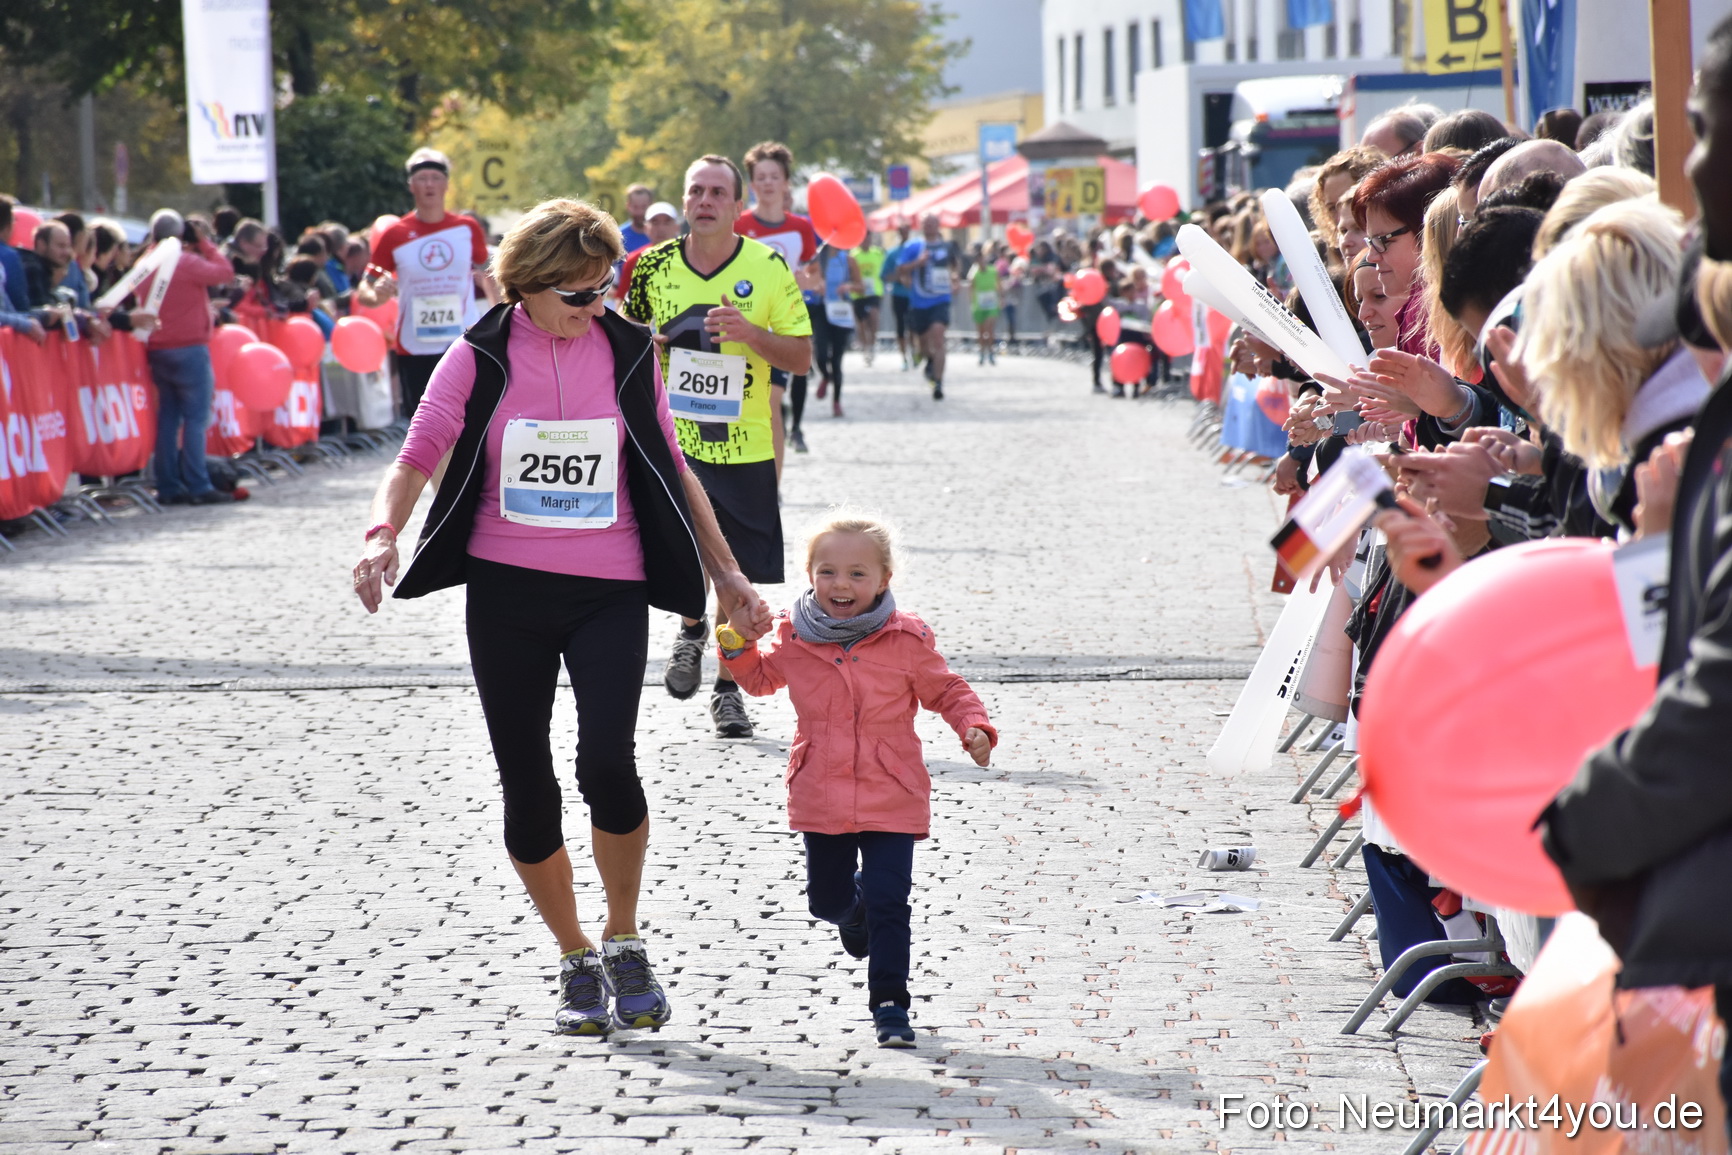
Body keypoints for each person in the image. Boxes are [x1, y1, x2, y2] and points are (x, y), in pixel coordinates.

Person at [352, 197, 774, 1038]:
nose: (597, 306)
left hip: (609, 587)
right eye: (578, 294)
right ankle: (575, 952)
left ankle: (624, 935)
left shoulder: (625, 350)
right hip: (507, 592)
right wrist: (380, 534)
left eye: (605, 287)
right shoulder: (477, 356)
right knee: (527, 781)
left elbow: (670, 462)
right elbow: (417, 455)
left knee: (607, 763)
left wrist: (726, 573)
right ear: (528, 287)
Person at [1539, 17, 1732, 1125]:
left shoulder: (1680, 451)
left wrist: (1578, 822)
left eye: (1704, 130)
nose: (1683, 169)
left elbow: (1708, 693)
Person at [717, 513, 995, 1047]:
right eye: (828, 572)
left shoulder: (906, 640)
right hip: (821, 790)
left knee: (893, 901)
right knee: (828, 901)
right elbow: (758, 681)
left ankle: (891, 1005)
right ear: (810, 575)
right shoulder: (793, 635)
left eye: (857, 574)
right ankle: (854, 908)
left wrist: (974, 726)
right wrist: (735, 641)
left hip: (892, 790)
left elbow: (948, 690)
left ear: (884, 579)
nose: (841, 585)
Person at [623, 154, 813, 739]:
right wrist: (643, 343)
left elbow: (801, 357)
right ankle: (689, 630)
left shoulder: (767, 264)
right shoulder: (649, 268)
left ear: (736, 205)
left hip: (745, 444)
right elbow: (616, 345)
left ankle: (729, 690)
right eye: (695, 191)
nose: (705, 201)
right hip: (671, 444)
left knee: (739, 570)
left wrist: (751, 334)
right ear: (684, 202)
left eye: (717, 192)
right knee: (688, 553)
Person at [357, 147, 498, 417]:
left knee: (468, 419)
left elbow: (489, 274)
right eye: (422, 178)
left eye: (435, 177)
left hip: (463, 340)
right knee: (423, 424)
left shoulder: (467, 228)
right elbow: (365, 287)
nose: (429, 184)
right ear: (411, 185)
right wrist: (378, 295)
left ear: (446, 184)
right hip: (414, 345)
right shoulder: (395, 234)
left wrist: (502, 316)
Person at [140, 209, 239, 505]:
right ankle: (198, 484)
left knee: (168, 420)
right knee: (196, 420)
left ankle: (168, 486)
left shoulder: (145, 263)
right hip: (190, 349)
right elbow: (225, 273)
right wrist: (205, 243)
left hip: (158, 349)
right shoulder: (184, 261)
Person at [897, 213, 958, 400]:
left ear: (939, 225)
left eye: (933, 223)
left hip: (940, 300)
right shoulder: (913, 246)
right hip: (919, 302)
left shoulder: (948, 246)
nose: (930, 226)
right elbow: (900, 269)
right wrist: (918, 263)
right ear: (921, 226)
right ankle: (928, 360)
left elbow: (955, 267)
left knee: (939, 337)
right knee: (923, 345)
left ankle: (938, 383)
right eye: (926, 223)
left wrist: (955, 279)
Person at [812, 243, 859, 418]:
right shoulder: (817, 258)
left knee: (837, 359)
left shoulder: (848, 260)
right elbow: (806, 280)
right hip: (822, 311)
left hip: (841, 312)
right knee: (821, 355)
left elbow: (860, 286)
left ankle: (837, 402)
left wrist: (848, 287)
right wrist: (815, 285)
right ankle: (825, 375)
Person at [615, 200, 680, 303]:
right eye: (655, 222)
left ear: (677, 227)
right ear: (646, 228)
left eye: (667, 222)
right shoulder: (634, 260)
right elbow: (621, 300)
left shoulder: (691, 257)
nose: (661, 228)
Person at [851, 233, 885, 367]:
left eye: (868, 239)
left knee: (874, 316)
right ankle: (865, 347)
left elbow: (883, 270)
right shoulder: (854, 255)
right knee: (862, 323)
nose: (866, 241)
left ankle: (872, 343)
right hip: (859, 293)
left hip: (874, 292)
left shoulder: (878, 253)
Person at [970, 242, 1000, 365]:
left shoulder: (993, 271)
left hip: (991, 304)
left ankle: (991, 352)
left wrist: (1001, 297)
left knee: (990, 329)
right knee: (981, 332)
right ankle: (982, 352)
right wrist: (972, 303)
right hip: (979, 305)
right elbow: (971, 289)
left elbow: (999, 285)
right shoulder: (974, 274)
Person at [619, 183, 654, 253]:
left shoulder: (661, 235)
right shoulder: (619, 237)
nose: (640, 212)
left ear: (651, 205)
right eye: (635, 207)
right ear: (628, 206)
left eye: (644, 207)